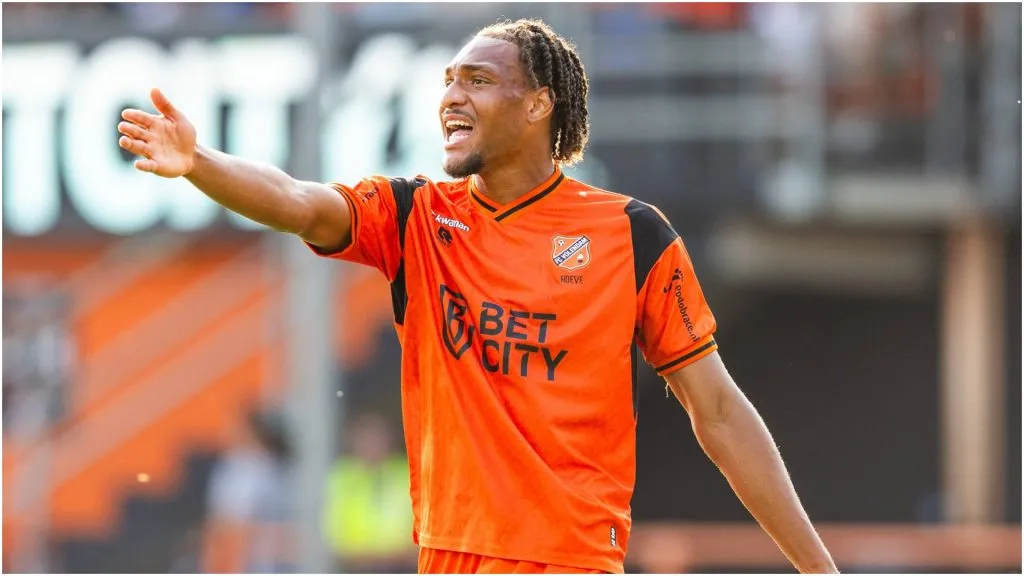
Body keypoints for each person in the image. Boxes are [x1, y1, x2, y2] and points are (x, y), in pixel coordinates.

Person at [118, 18, 837, 575]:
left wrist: (816, 567)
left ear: (539, 105)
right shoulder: (416, 218)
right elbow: (296, 201)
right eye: (449, 81)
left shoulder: (631, 234)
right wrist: (198, 162)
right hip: (447, 559)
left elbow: (718, 411)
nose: (451, 98)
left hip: (572, 561)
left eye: (479, 80)